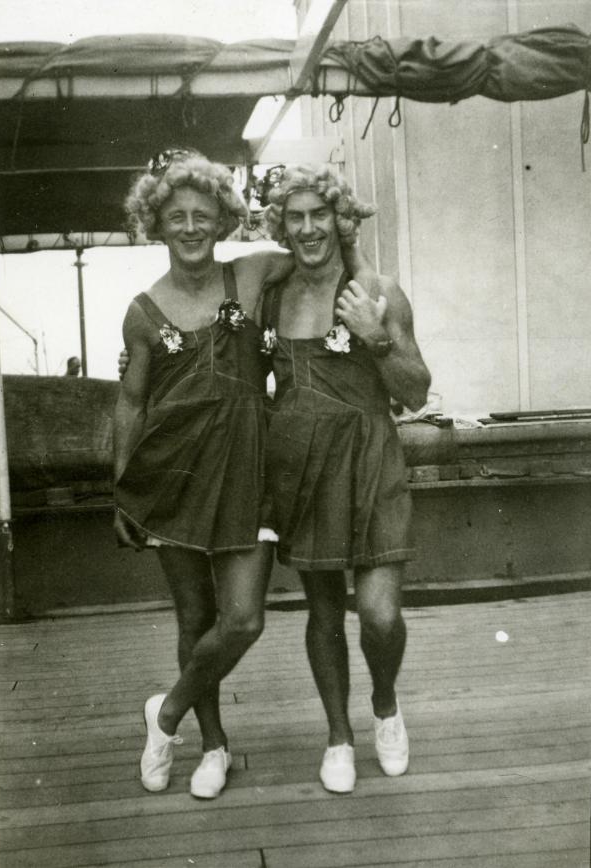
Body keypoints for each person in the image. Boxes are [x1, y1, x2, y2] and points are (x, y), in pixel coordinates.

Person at [113, 149, 291, 799]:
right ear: (154, 225)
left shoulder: (251, 275)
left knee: (242, 619)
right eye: (176, 216)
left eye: (204, 215)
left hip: (249, 467)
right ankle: (212, 747)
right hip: (174, 473)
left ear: (223, 223)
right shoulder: (141, 311)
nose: (190, 226)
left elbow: (316, 245)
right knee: (195, 617)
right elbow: (132, 402)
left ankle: (166, 715)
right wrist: (123, 490)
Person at [261, 164, 431, 793]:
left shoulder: (377, 289)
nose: (308, 228)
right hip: (302, 465)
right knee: (324, 612)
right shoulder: (273, 295)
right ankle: (338, 733)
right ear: (283, 226)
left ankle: (385, 706)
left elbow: (415, 392)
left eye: (319, 214)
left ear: (339, 219)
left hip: (370, 457)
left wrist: (377, 338)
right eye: (295, 217)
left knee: (380, 616)